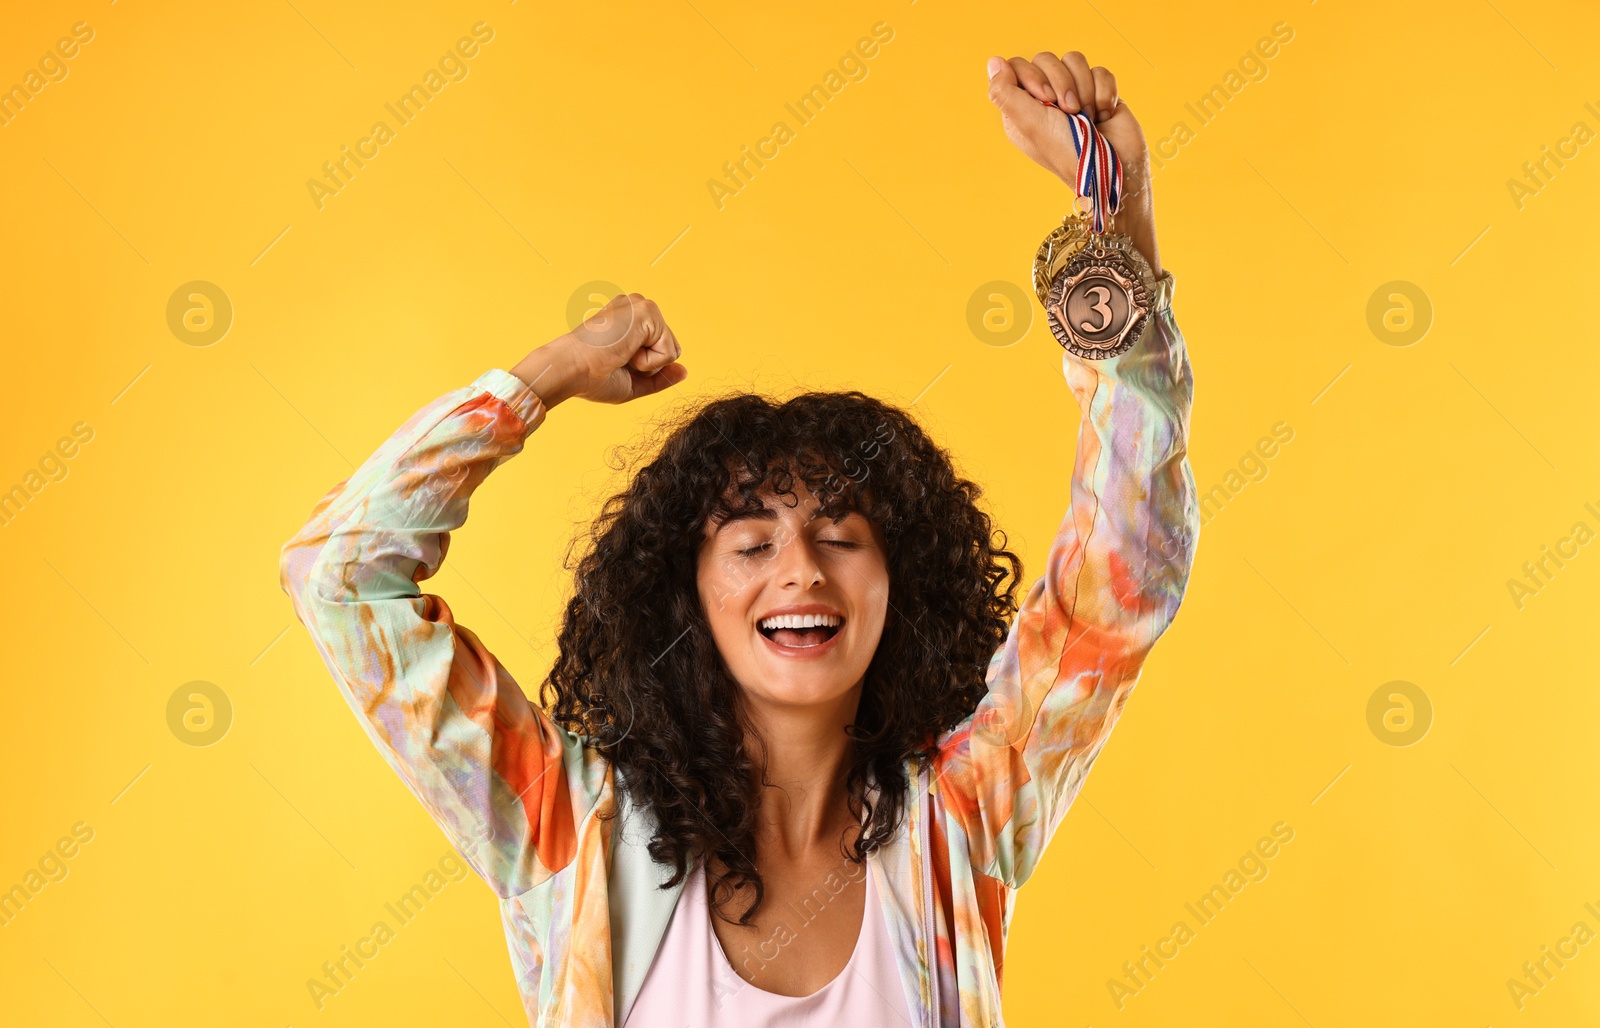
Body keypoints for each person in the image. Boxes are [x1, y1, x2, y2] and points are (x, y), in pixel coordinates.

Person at [278, 49, 1198, 1027]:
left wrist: (1113, 206)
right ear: (687, 593)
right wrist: (542, 376)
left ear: (901, 584)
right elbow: (341, 576)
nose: (800, 569)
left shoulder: (959, 823)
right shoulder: (570, 828)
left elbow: (1123, 571)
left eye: (841, 535)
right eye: (750, 544)